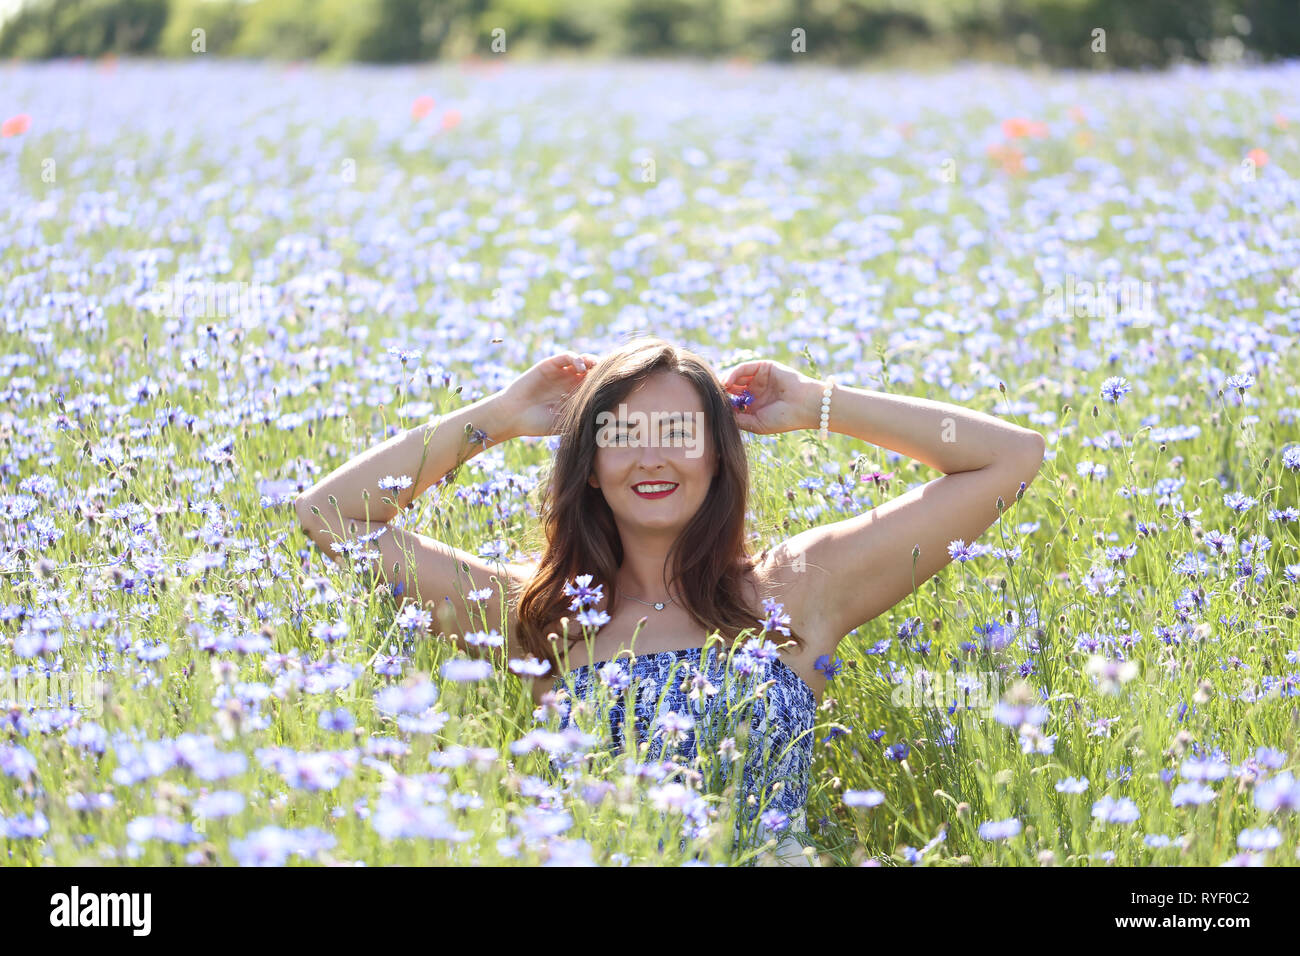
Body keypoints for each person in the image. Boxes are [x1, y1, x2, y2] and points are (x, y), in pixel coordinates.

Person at [296, 336, 1046, 866]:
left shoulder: (795, 589)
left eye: (679, 431)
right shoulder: (535, 617)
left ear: (719, 455)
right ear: (589, 467)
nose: (652, 455)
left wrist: (817, 403)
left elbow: (1011, 458)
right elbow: (329, 515)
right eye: (622, 433)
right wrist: (505, 413)